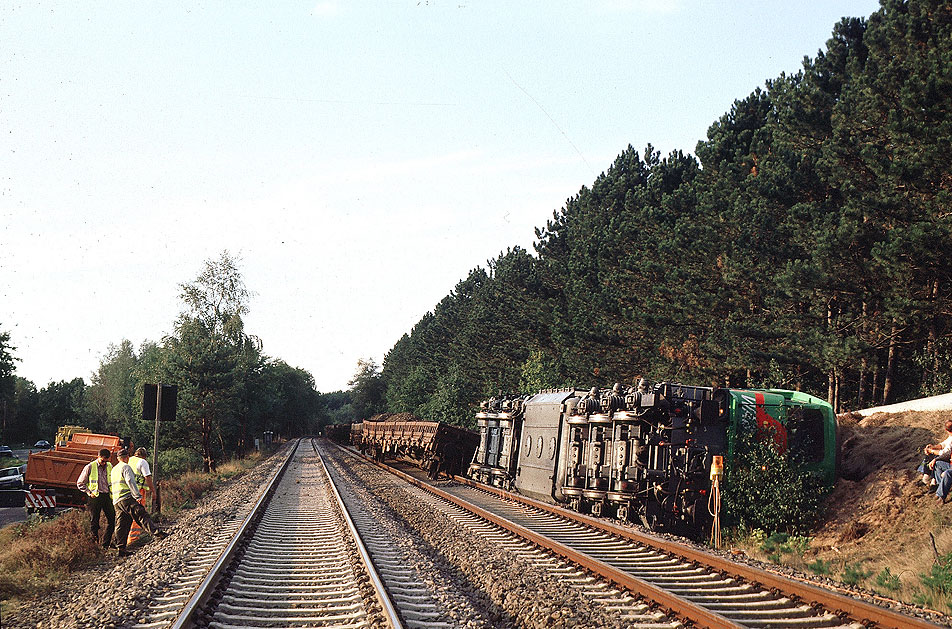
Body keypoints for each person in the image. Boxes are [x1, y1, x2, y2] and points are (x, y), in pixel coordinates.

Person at [111, 448, 164, 557]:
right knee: (141, 514)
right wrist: (137, 496)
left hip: (117, 500)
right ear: (127, 458)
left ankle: (121, 549)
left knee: (122, 524)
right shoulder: (126, 466)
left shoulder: (114, 469)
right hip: (127, 497)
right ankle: (158, 533)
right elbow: (130, 481)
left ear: (118, 458)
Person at [75, 448, 115, 549]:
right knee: (94, 522)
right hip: (95, 497)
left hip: (106, 496)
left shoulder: (110, 466)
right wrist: (89, 492)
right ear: (98, 457)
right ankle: (94, 545)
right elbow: (80, 483)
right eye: (102, 461)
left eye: (106, 461)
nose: (104, 463)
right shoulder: (90, 467)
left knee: (112, 519)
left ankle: (105, 544)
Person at [917, 420, 952, 502]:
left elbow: (945, 452)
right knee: (934, 460)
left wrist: (932, 451)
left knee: (932, 458)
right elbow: (943, 445)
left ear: (946, 430)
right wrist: (933, 447)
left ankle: (933, 482)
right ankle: (937, 484)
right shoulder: (950, 438)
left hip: (948, 460)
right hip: (949, 460)